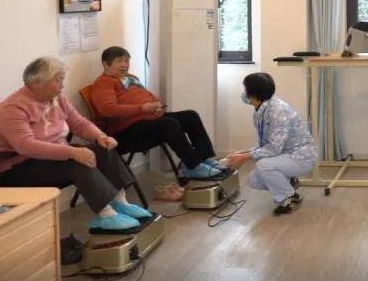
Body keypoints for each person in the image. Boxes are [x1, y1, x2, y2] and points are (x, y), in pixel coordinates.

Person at [0, 56, 153, 231]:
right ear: (38, 82)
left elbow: (78, 123)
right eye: (58, 80)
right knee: (78, 164)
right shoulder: (13, 108)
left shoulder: (56, 98)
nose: (62, 85)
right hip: (20, 164)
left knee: (103, 148)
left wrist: (100, 136)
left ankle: (121, 202)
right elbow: (26, 146)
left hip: (55, 155)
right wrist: (72, 153)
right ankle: (107, 215)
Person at [90, 46, 222, 180]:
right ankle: (192, 167)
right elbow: (108, 110)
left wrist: (159, 107)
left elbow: (150, 96)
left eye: (126, 61)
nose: (125, 65)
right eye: (119, 61)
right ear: (106, 64)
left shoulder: (131, 78)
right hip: (127, 131)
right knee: (169, 124)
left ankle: (205, 158)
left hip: (150, 121)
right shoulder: (103, 83)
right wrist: (142, 108)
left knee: (190, 116)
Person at [223, 73, 316, 215]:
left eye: (245, 89)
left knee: (263, 165)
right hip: (285, 154)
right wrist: (242, 153)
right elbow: (266, 144)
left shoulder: (278, 111)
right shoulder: (262, 108)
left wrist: (244, 157)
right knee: (254, 180)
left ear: (253, 93)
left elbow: (273, 149)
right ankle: (289, 182)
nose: (244, 93)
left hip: (301, 156)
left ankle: (290, 198)